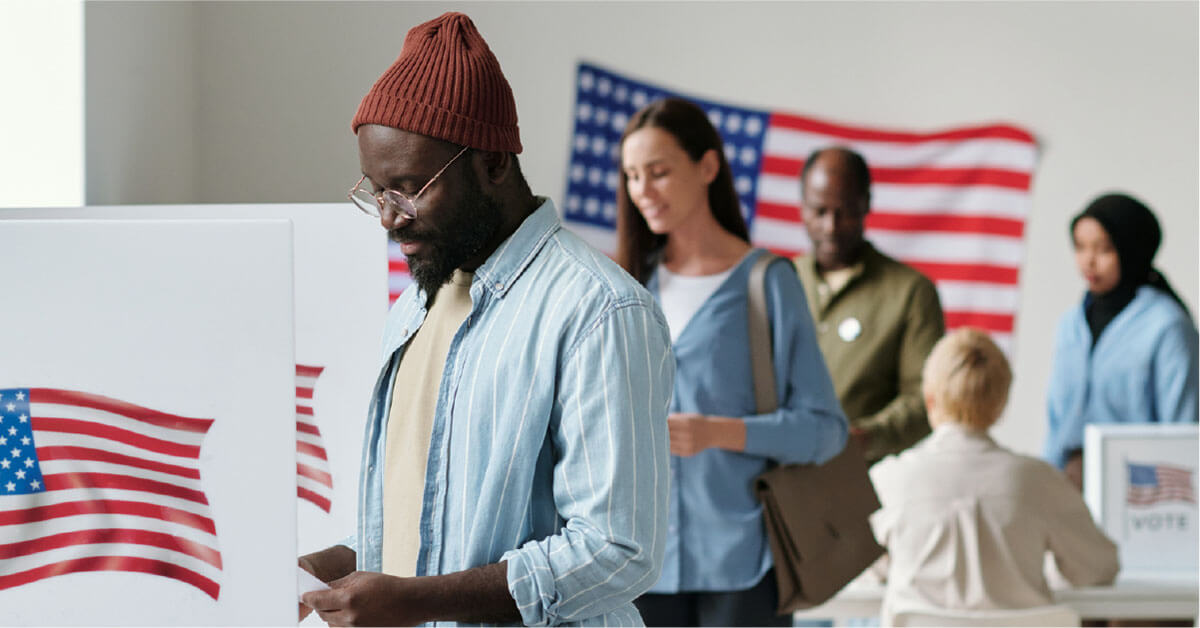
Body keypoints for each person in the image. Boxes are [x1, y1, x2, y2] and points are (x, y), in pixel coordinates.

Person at [297, 13, 675, 626]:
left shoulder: (599, 311)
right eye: (376, 191)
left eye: (411, 188)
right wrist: (340, 564)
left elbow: (617, 549)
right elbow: (431, 521)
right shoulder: (416, 305)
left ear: (494, 165)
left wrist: (415, 602)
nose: (390, 218)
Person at [615, 97, 848, 627]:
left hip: (744, 564)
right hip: (637, 560)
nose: (643, 191)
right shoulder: (625, 287)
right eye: (632, 176)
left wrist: (719, 433)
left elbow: (826, 430)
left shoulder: (768, 283)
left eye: (658, 172)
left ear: (708, 167)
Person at [870, 327, 1119, 624]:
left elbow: (870, 572)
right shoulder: (1040, 480)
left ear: (929, 398)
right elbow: (1097, 569)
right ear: (1001, 405)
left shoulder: (888, 480)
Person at [793, 147, 944, 465]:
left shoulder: (911, 292)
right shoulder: (779, 281)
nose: (830, 227)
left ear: (866, 204)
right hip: (771, 476)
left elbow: (925, 400)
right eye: (819, 211)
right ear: (802, 206)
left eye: (844, 211)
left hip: (864, 481)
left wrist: (863, 438)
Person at [1045, 192, 1198, 485]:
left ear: (1130, 250)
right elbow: (1055, 418)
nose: (1088, 261)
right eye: (1080, 247)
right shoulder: (1070, 324)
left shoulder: (1166, 326)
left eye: (1103, 249)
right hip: (1070, 482)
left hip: (1138, 486)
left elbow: (1183, 428)